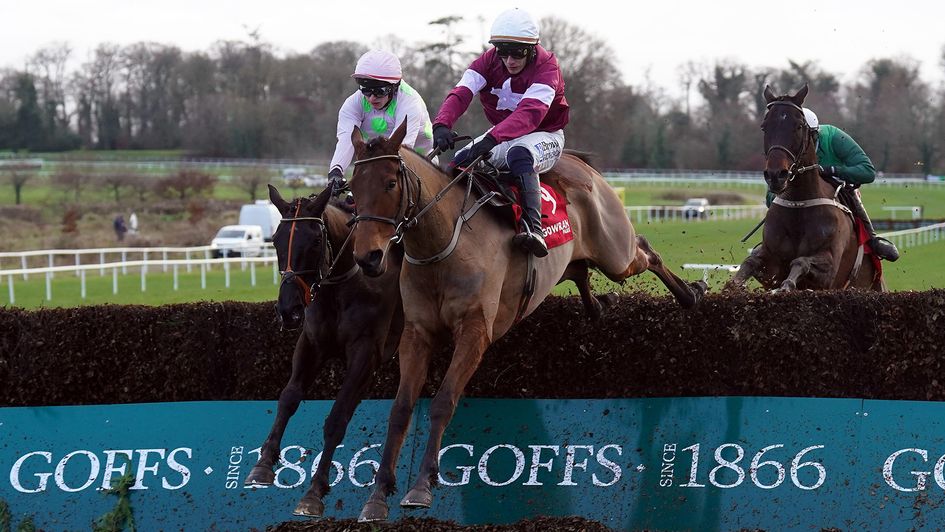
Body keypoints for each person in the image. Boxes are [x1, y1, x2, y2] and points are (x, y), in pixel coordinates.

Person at [431, 8, 569, 258]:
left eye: (517, 53)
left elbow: (529, 114)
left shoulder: (548, 66)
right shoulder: (486, 61)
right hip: (503, 134)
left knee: (519, 154)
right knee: (459, 162)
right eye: (503, 53)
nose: (509, 61)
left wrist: (492, 138)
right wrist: (442, 124)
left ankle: (534, 228)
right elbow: (462, 93)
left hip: (545, 134)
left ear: (532, 49)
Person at [766, 108, 899, 261]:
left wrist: (833, 170)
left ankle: (872, 241)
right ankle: (767, 248)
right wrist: (778, 196)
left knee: (853, 195)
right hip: (794, 207)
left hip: (837, 195)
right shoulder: (786, 151)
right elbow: (770, 197)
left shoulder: (833, 137)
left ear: (815, 134)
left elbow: (867, 171)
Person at [326, 49, 435, 192]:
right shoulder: (352, 103)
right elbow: (346, 140)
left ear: (394, 87)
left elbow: (401, 148)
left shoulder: (410, 101)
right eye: (365, 90)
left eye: (379, 91)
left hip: (420, 165)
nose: (371, 98)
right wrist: (336, 171)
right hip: (378, 167)